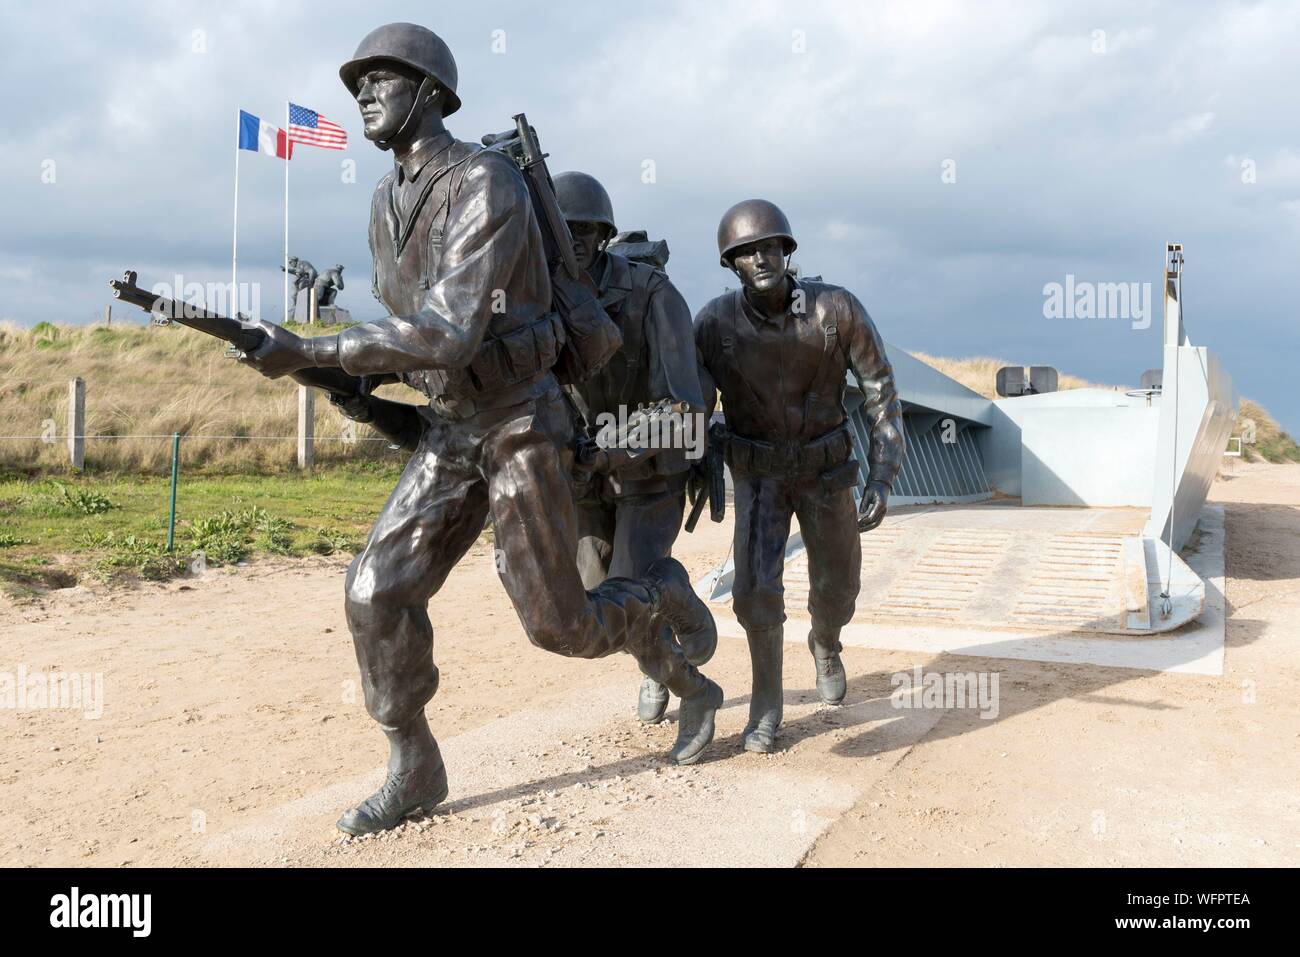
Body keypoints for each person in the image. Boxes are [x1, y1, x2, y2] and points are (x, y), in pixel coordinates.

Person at [238, 23, 723, 835]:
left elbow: (448, 329)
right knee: (373, 592)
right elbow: (413, 339)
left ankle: (670, 632)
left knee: (559, 625)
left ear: (430, 92)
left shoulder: (485, 184)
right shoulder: (384, 206)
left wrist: (318, 349)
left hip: (519, 422)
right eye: (357, 81)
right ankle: (415, 762)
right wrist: (330, 368)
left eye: (382, 78)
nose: (362, 91)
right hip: (452, 426)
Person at [693, 199, 905, 753]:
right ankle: (767, 704)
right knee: (753, 592)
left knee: (838, 588)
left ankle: (826, 640)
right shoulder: (715, 322)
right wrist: (690, 461)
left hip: (827, 472)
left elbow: (882, 392)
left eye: (769, 247)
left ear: (787, 250)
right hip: (759, 477)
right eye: (745, 252)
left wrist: (882, 477)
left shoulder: (836, 308)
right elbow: (691, 406)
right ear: (731, 264)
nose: (759, 258)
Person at [553, 171, 709, 726]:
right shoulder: (538, 298)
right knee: (595, 593)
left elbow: (684, 408)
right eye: (555, 230)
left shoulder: (652, 294)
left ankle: (676, 629)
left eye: (578, 231)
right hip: (586, 475)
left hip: (649, 469)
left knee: (631, 583)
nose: (565, 241)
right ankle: (659, 642)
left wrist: (609, 448)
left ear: (600, 235)